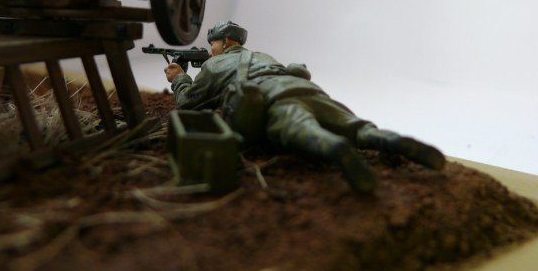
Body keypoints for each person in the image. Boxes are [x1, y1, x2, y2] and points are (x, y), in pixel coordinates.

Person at [164, 21, 445, 194]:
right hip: (306, 89)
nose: (210, 50)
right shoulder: (263, 55)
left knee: (301, 129)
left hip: (274, 97)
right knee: (357, 127)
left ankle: (335, 148)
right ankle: (391, 140)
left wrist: (179, 78)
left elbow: (188, 104)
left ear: (225, 42)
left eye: (212, 44)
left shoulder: (214, 64)